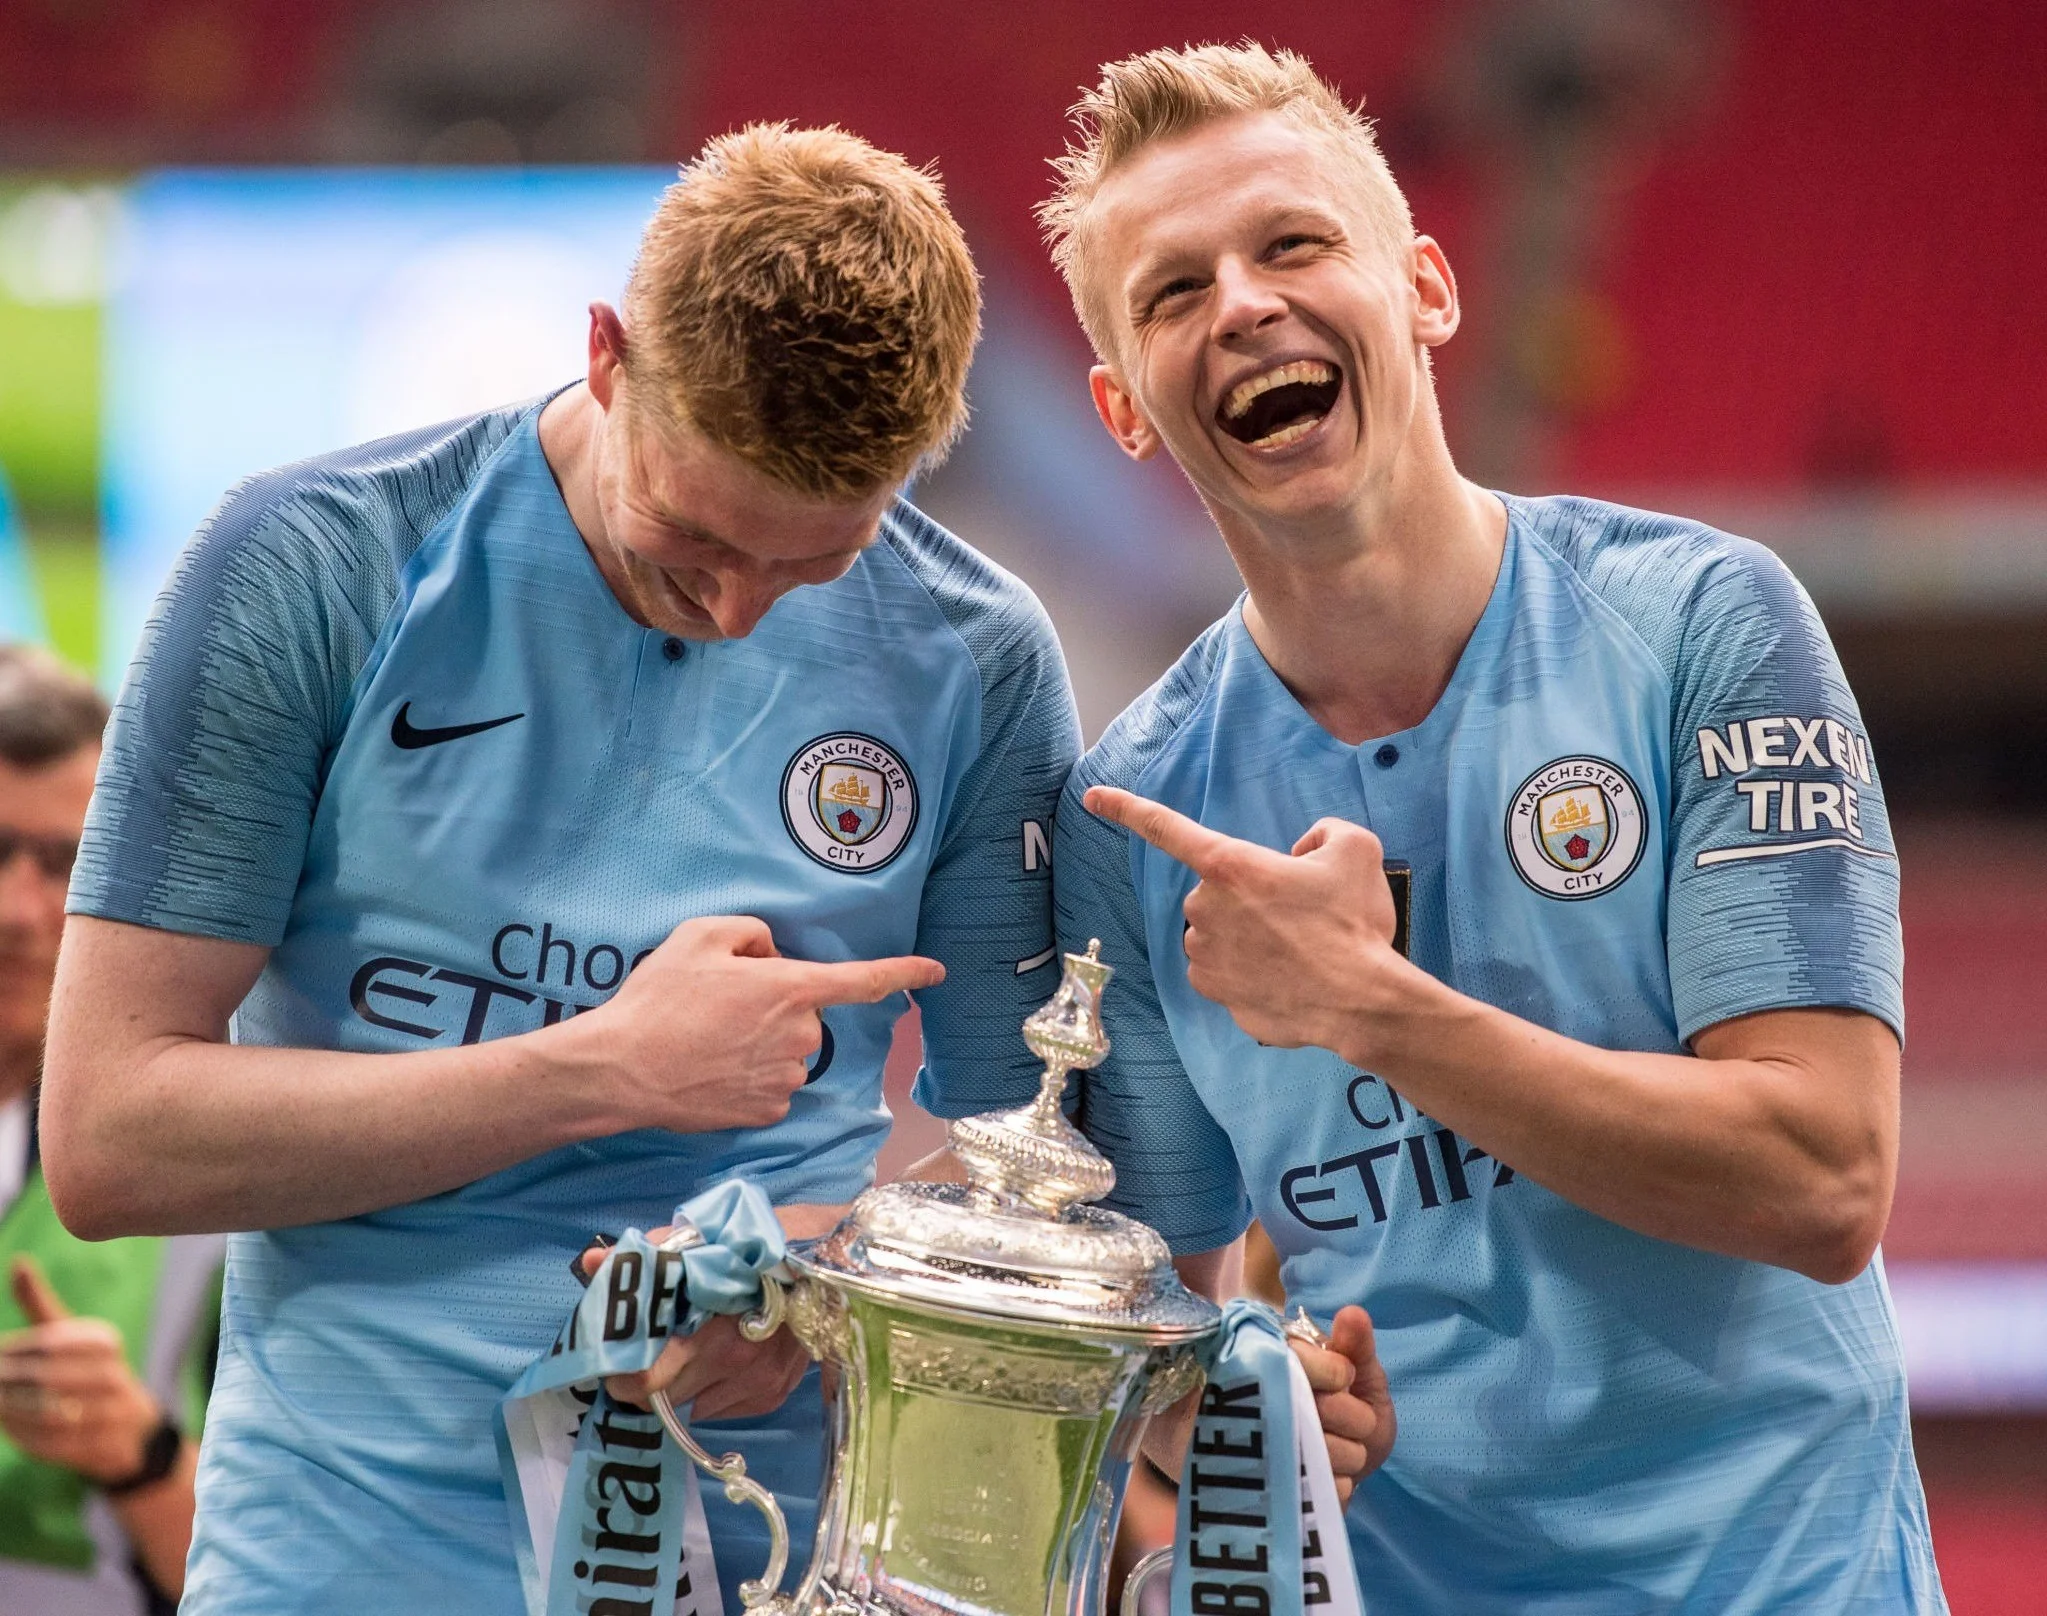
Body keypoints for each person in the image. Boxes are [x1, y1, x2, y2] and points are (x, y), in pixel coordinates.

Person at [42, 125, 1082, 1614]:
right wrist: (602, 1066)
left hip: (774, 1538)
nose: (734, 612)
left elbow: (1025, 1179)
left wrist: (817, 1289)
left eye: (814, 563)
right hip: (353, 1538)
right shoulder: (317, 561)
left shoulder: (976, 653)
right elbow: (108, 1136)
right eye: (687, 539)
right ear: (605, 354)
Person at [1042, 43, 1943, 1613]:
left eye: (1291, 245)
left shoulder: (1702, 624)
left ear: (1425, 291)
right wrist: (1244, 1392)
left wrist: (1370, 1009)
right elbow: (1162, 1334)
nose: (1240, 304)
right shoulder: (1137, 814)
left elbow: (1818, 1178)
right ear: (1122, 409)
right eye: (1172, 292)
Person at [0, 645, 222, 1615]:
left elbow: (278, 1572)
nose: (17, 911)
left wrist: (138, 1448)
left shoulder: (212, 1177)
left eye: (65, 862)